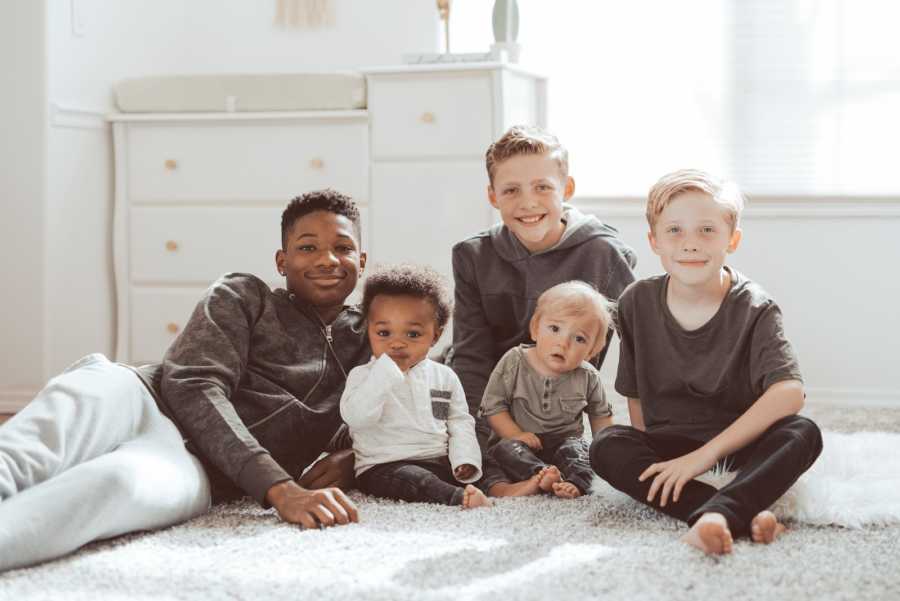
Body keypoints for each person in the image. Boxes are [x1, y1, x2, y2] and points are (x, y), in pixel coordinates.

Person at [0, 189, 369, 571]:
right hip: (139, 397)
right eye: (307, 247)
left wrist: (357, 457)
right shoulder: (242, 295)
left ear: (361, 260)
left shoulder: (376, 342)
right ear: (282, 261)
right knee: (28, 453)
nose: (327, 260)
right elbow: (193, 383)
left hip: (197, 470)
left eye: (342, 248)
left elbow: (409, 419)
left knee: (112, 488)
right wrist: (279, 488)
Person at [590, 169, 823, 555]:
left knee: (803, 432)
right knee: (606, 445)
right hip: (670, 441)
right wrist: (656, 455)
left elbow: (790, 391)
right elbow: (635, 396)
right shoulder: (635, 302)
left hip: (739, 441)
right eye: (675, 231)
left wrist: (703, 458)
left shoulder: (755, 306)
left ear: (732, 239)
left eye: (707, 231)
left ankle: (720, 511)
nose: (690, 244)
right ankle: (730, 513)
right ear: (654, 241)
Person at [447, 125, 637, 496]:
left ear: (566, 190)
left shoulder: (606, 256)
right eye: (511, 190)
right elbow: (471, 356)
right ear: (492, 196)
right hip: (495, 399)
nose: (528, 203)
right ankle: (510, 473)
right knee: (444, 451)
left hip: (559, 401)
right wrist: (474, 431)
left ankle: (539, 469)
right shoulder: (472, 256)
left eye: (542, 187)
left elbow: (628, 353)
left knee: (584, 460)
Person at [341, 265, 491, 509]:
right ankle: (455, 498)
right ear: (368, 331)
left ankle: (494, 485)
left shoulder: (444, 377)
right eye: (384, 332)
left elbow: (459, 422)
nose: (397, 343)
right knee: (416, 480)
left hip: (437, 458)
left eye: (412, 334)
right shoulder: (363, 376)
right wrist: (386, 374)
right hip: (385, 464)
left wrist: (465, 460)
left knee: (487, 464)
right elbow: (357, 419)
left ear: (435, 336)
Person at [481, 281, 614, 498]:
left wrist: (606, 452)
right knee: (500, 454)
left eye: (579, 338)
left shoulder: (587, 376)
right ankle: (540, 475)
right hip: (519, 443)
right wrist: (517, 434)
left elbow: (601, 418)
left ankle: (576, 482)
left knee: (581, 453)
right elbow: (493, 408)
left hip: (564, 443)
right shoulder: (514, 361)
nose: (563, 343)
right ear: (535, 328)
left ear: (592, 351)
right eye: (554, 329)